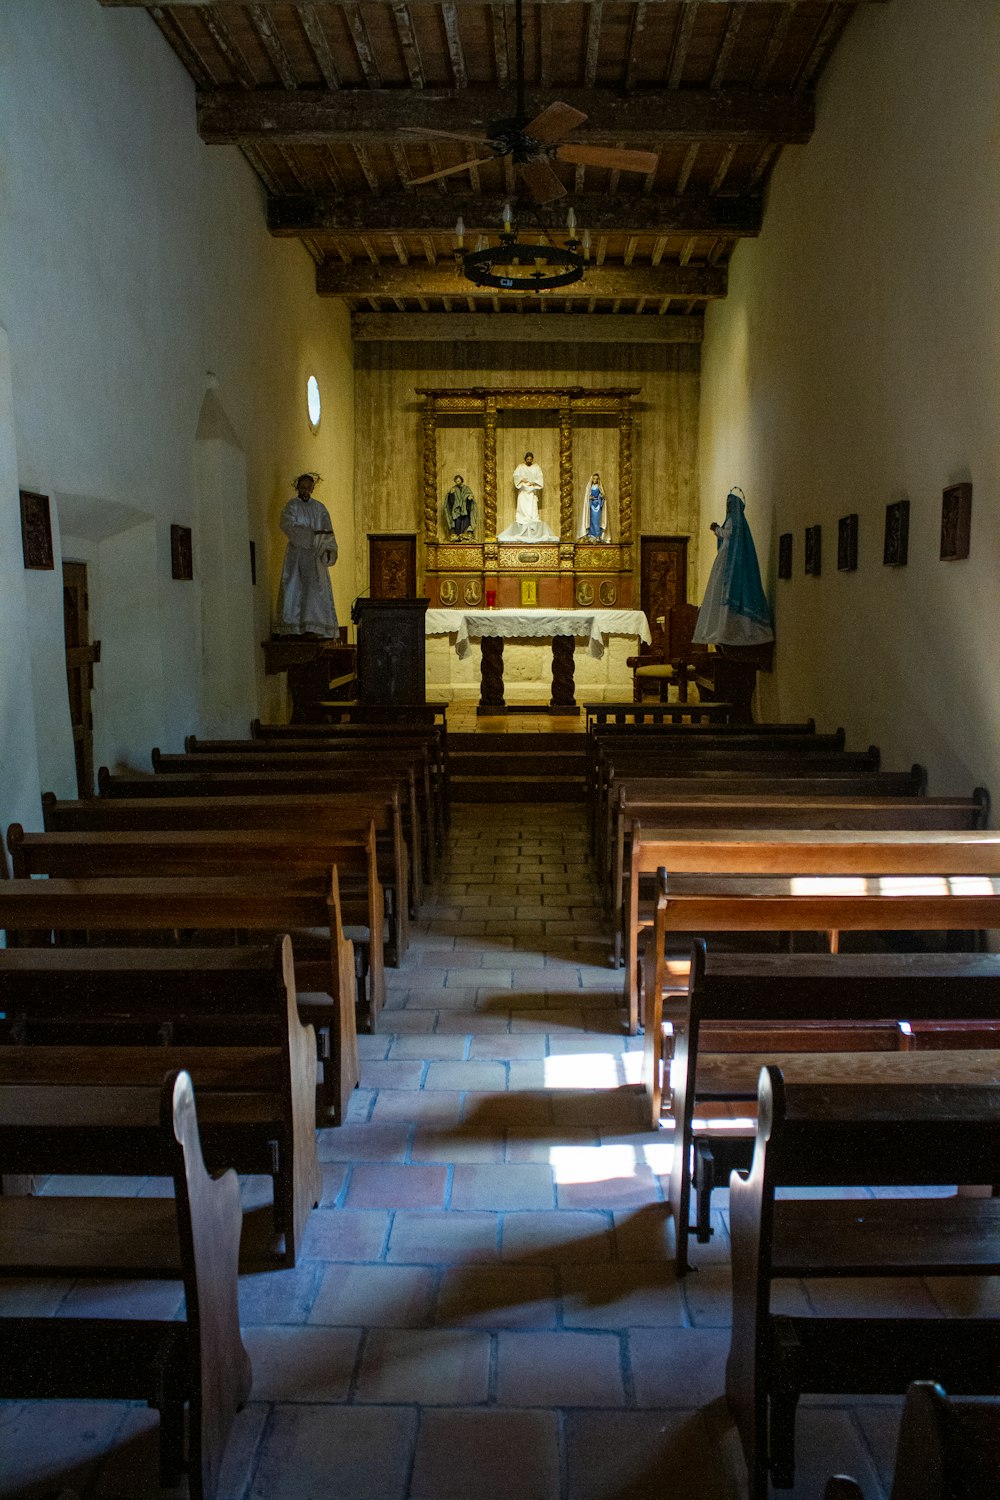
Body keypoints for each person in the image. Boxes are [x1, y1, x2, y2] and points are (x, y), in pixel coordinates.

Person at [692, 487, 774, 646]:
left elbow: (728, 535)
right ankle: (724, 631)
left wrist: (716, 529)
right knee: (721, 592)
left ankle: (734, 632)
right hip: (727, 559)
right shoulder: (732, 520)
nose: (728, 507)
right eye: (727, 504)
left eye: (730, 504)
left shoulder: (735, 521)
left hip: (731, 561)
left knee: (730, 592)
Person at [273, 472, 339, 638]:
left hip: (315, 556)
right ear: (297, 488)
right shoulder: (292, 506)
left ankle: (314, 626)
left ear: (312, 488)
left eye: (308, 487)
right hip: (298, 554)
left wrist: (328, 548)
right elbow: (288, 525)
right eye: (302, 487)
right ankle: (293, 627)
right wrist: (310, 537)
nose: (305, 490)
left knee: (315, 589)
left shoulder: (319, 508)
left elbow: (327, 531)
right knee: (295, 586)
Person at [498, 451, 558, 542]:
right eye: (528, 459)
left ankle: (532, 525)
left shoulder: (536, 467)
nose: (529, 460)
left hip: (532, 491)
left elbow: (540, 477)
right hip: (523, 491)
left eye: (530, 459)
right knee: (523, 509)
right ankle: (523, 522)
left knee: (533, 510)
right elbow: (516, 475)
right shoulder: (520, 467)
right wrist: (522, 480)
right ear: (525, 459)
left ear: (532, 459)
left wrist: (534, 482)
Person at [578, 472, 609, 541]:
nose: (595, 480)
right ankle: (591, 535)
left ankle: (597, 535)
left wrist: (601, 496)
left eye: (596, 479)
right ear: (592, 479)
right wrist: (589, 497)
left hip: (598, 505)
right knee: (591, 520)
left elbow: (603, 495)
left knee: (597, 521)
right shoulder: (589, 487)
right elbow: (587, 496)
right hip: (591, 505)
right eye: (594, 479)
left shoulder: (599, 487)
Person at [444, 474, 477, 538]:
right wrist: (451, 494)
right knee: (457, 522)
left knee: (465, 522)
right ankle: (457, 535)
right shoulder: (454, 489)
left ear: (461, 480)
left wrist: (469, 498)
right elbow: (450, 501)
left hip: (465, 509)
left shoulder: (466, 488)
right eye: (456, 481)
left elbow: (469, 495)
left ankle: (465, 533)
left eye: (458, 481)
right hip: (457, 510)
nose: (457, 482)